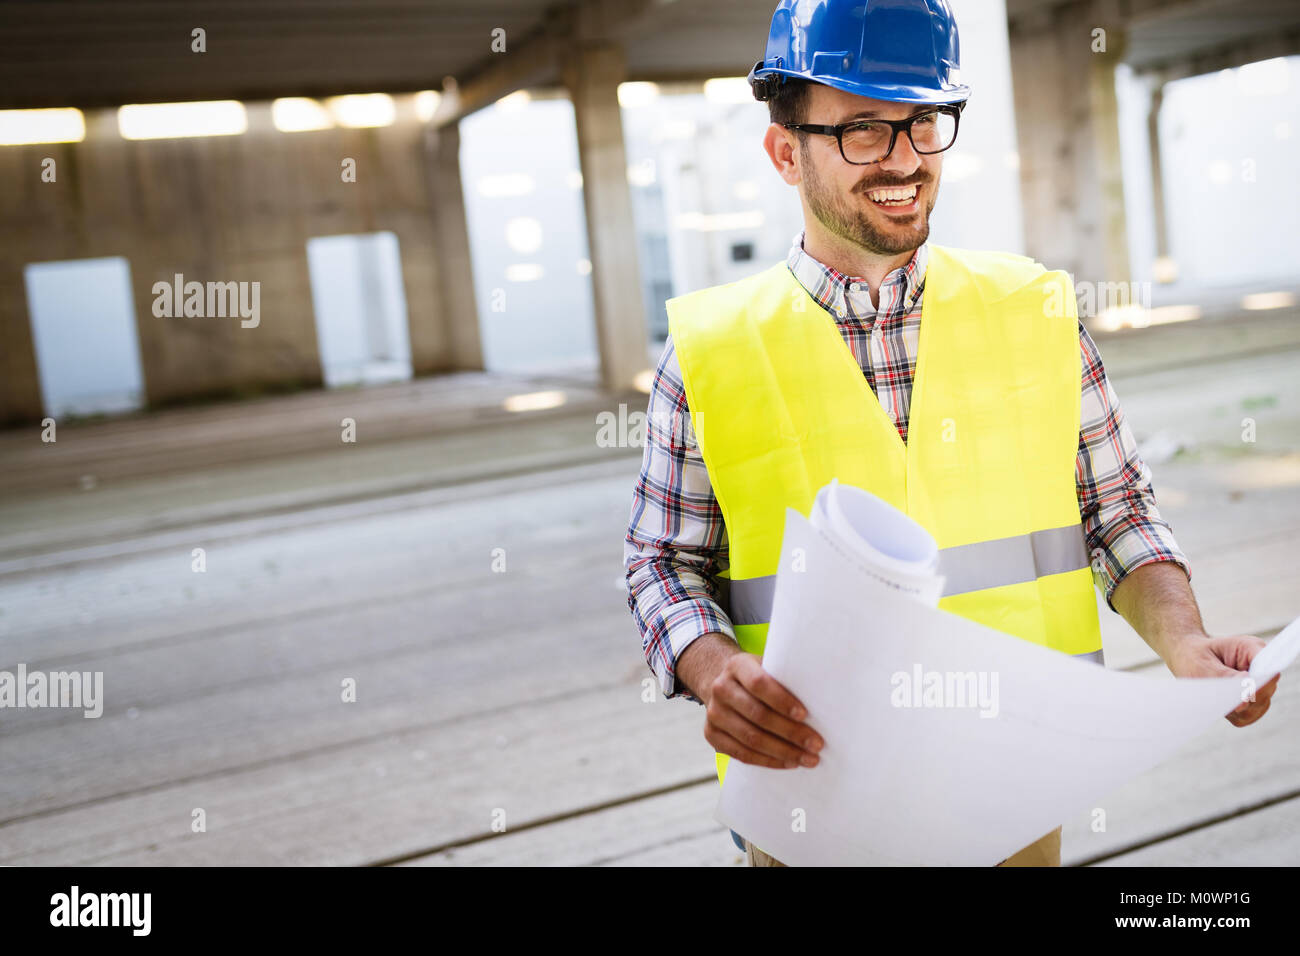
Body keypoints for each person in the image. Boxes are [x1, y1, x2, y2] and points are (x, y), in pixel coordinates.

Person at [624, 0, 1279, 867]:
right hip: (815, 807)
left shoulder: (1037, 311)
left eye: (923, 123)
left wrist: (1185, 642)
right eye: (863, 128)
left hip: (1010, 796)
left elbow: (1118, 515)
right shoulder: (707, 353)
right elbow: (661, 564)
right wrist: (713, 673)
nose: (903, 161)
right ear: (786, 151)